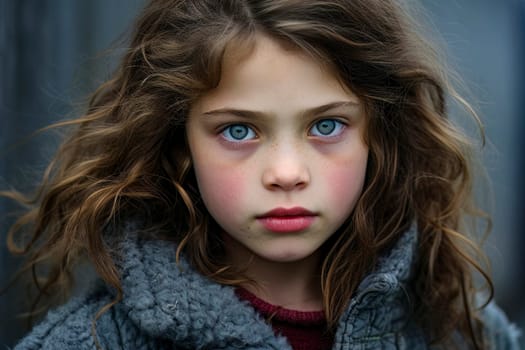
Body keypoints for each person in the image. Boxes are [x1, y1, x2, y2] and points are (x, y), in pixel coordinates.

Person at [2, 0, 521, 349]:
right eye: (238, 132)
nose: (287, 173)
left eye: (326, 124)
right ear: (179, 143)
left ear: (380, 134)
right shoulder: (89, 341)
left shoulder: (460, 328)